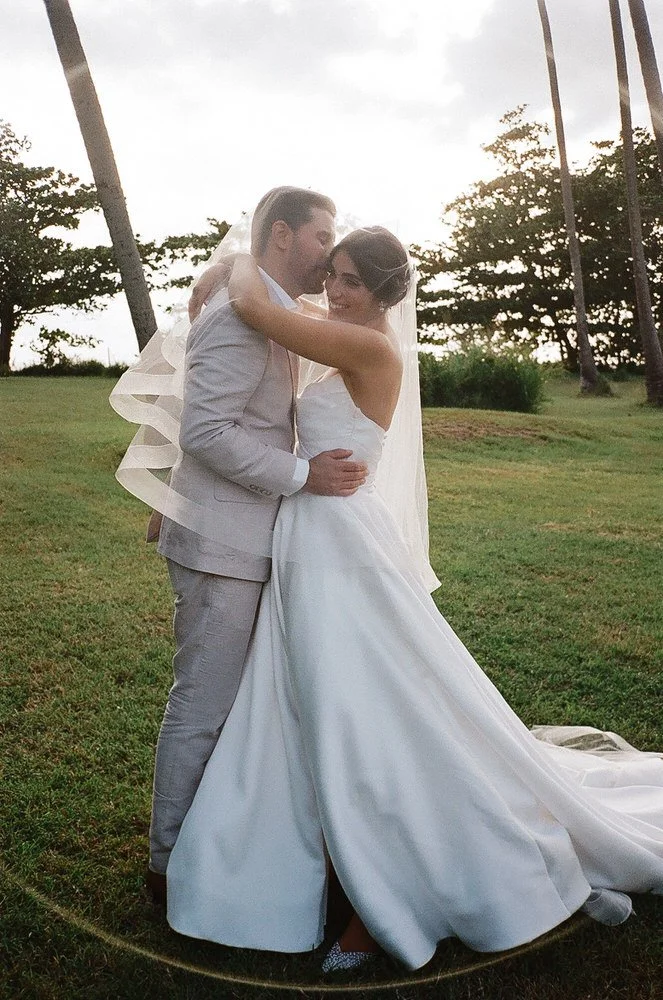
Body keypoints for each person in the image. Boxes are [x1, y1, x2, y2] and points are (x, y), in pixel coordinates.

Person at [163, 225, 663, 972]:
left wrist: (236, 258)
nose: (334, 290)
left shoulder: (370, 348)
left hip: (339, 541)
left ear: (384, 292)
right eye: (331, 274)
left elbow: (261, 310)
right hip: (307, 532)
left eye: (350, 281)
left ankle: (381, 887)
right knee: (307, 699)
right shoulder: (339, 332)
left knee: (356, 702)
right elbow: (264, 323)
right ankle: (311, 858)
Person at [111, 187, 371, 905]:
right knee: (203, 704)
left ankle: (219, 843)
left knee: (237, 706)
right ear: (282, 236)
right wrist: (304, 475)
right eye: (322, 237)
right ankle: (168, 864)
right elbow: (207, 431)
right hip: (221, 544)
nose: (329, 254)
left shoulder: (270, 308)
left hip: (251, 538)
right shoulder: (237, 317)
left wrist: (229, 265)